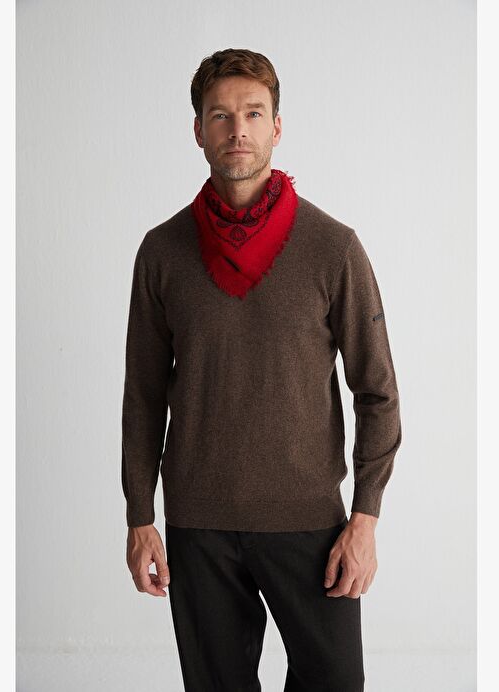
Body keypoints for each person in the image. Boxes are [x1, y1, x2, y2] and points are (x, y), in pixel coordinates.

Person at [121, 48, 402, 692]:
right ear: (198, 130)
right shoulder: (162, 251)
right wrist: (140, 515)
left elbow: (377, 391)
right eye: (220, 115)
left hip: (310, 522)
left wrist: (365, 516)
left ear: (277, 126)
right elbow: (143, 396)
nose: (237, 129)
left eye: (253, 113)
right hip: (198, 525)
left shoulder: (333, 247)